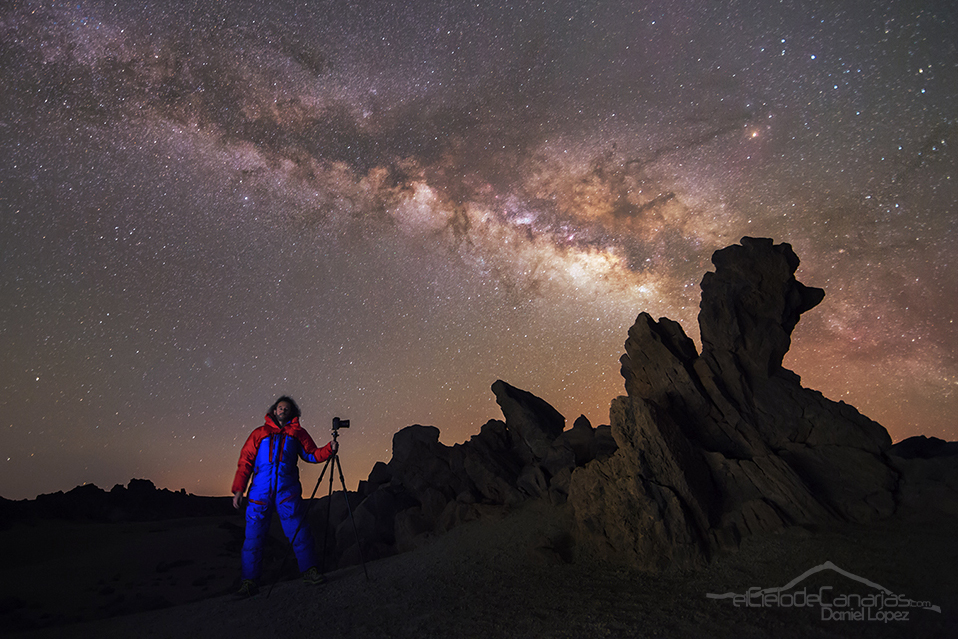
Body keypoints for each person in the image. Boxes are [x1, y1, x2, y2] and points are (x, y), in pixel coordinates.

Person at [231, 395, 337, 596]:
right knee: (253, 538)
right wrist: (239, 489)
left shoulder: (298, 433)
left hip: (287, 493)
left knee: (299, 531)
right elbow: (246, 461)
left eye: (286, 408)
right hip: (259, 494)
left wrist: (328, 450)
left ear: (292, 412)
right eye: (280, 408)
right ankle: (249, 582)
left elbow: (311, 454)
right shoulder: (259, 433)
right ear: (274, 410)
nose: (282, 410)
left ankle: (310, 571)